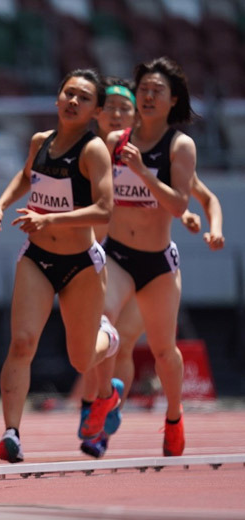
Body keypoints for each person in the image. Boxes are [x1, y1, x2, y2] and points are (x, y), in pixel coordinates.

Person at [78, 80, 224, 457]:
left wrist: (205, 224)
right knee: (105, 338)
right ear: (98, 114)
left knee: (145, 348)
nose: (116, 115)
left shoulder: (167, 151)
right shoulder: (97, 153)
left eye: (124, 109)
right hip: (110, 258)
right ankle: (103, 408)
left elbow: (200, 198)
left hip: (155, 264)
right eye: (109, 108)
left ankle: (166, 419)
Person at [0, 69, 115, 463]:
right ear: (57, 98)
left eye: (84, 97)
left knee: (81, 359)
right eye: (68, 93)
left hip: (81, 264)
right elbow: (26, 177)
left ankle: (109, 336)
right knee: (22, 341)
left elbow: (105, 210)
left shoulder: (94, 152)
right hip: (37, 258)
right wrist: (0, 204)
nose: (73, 101)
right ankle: (12, 433)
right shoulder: (41, 141)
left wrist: (50, 219)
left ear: (95, 110)